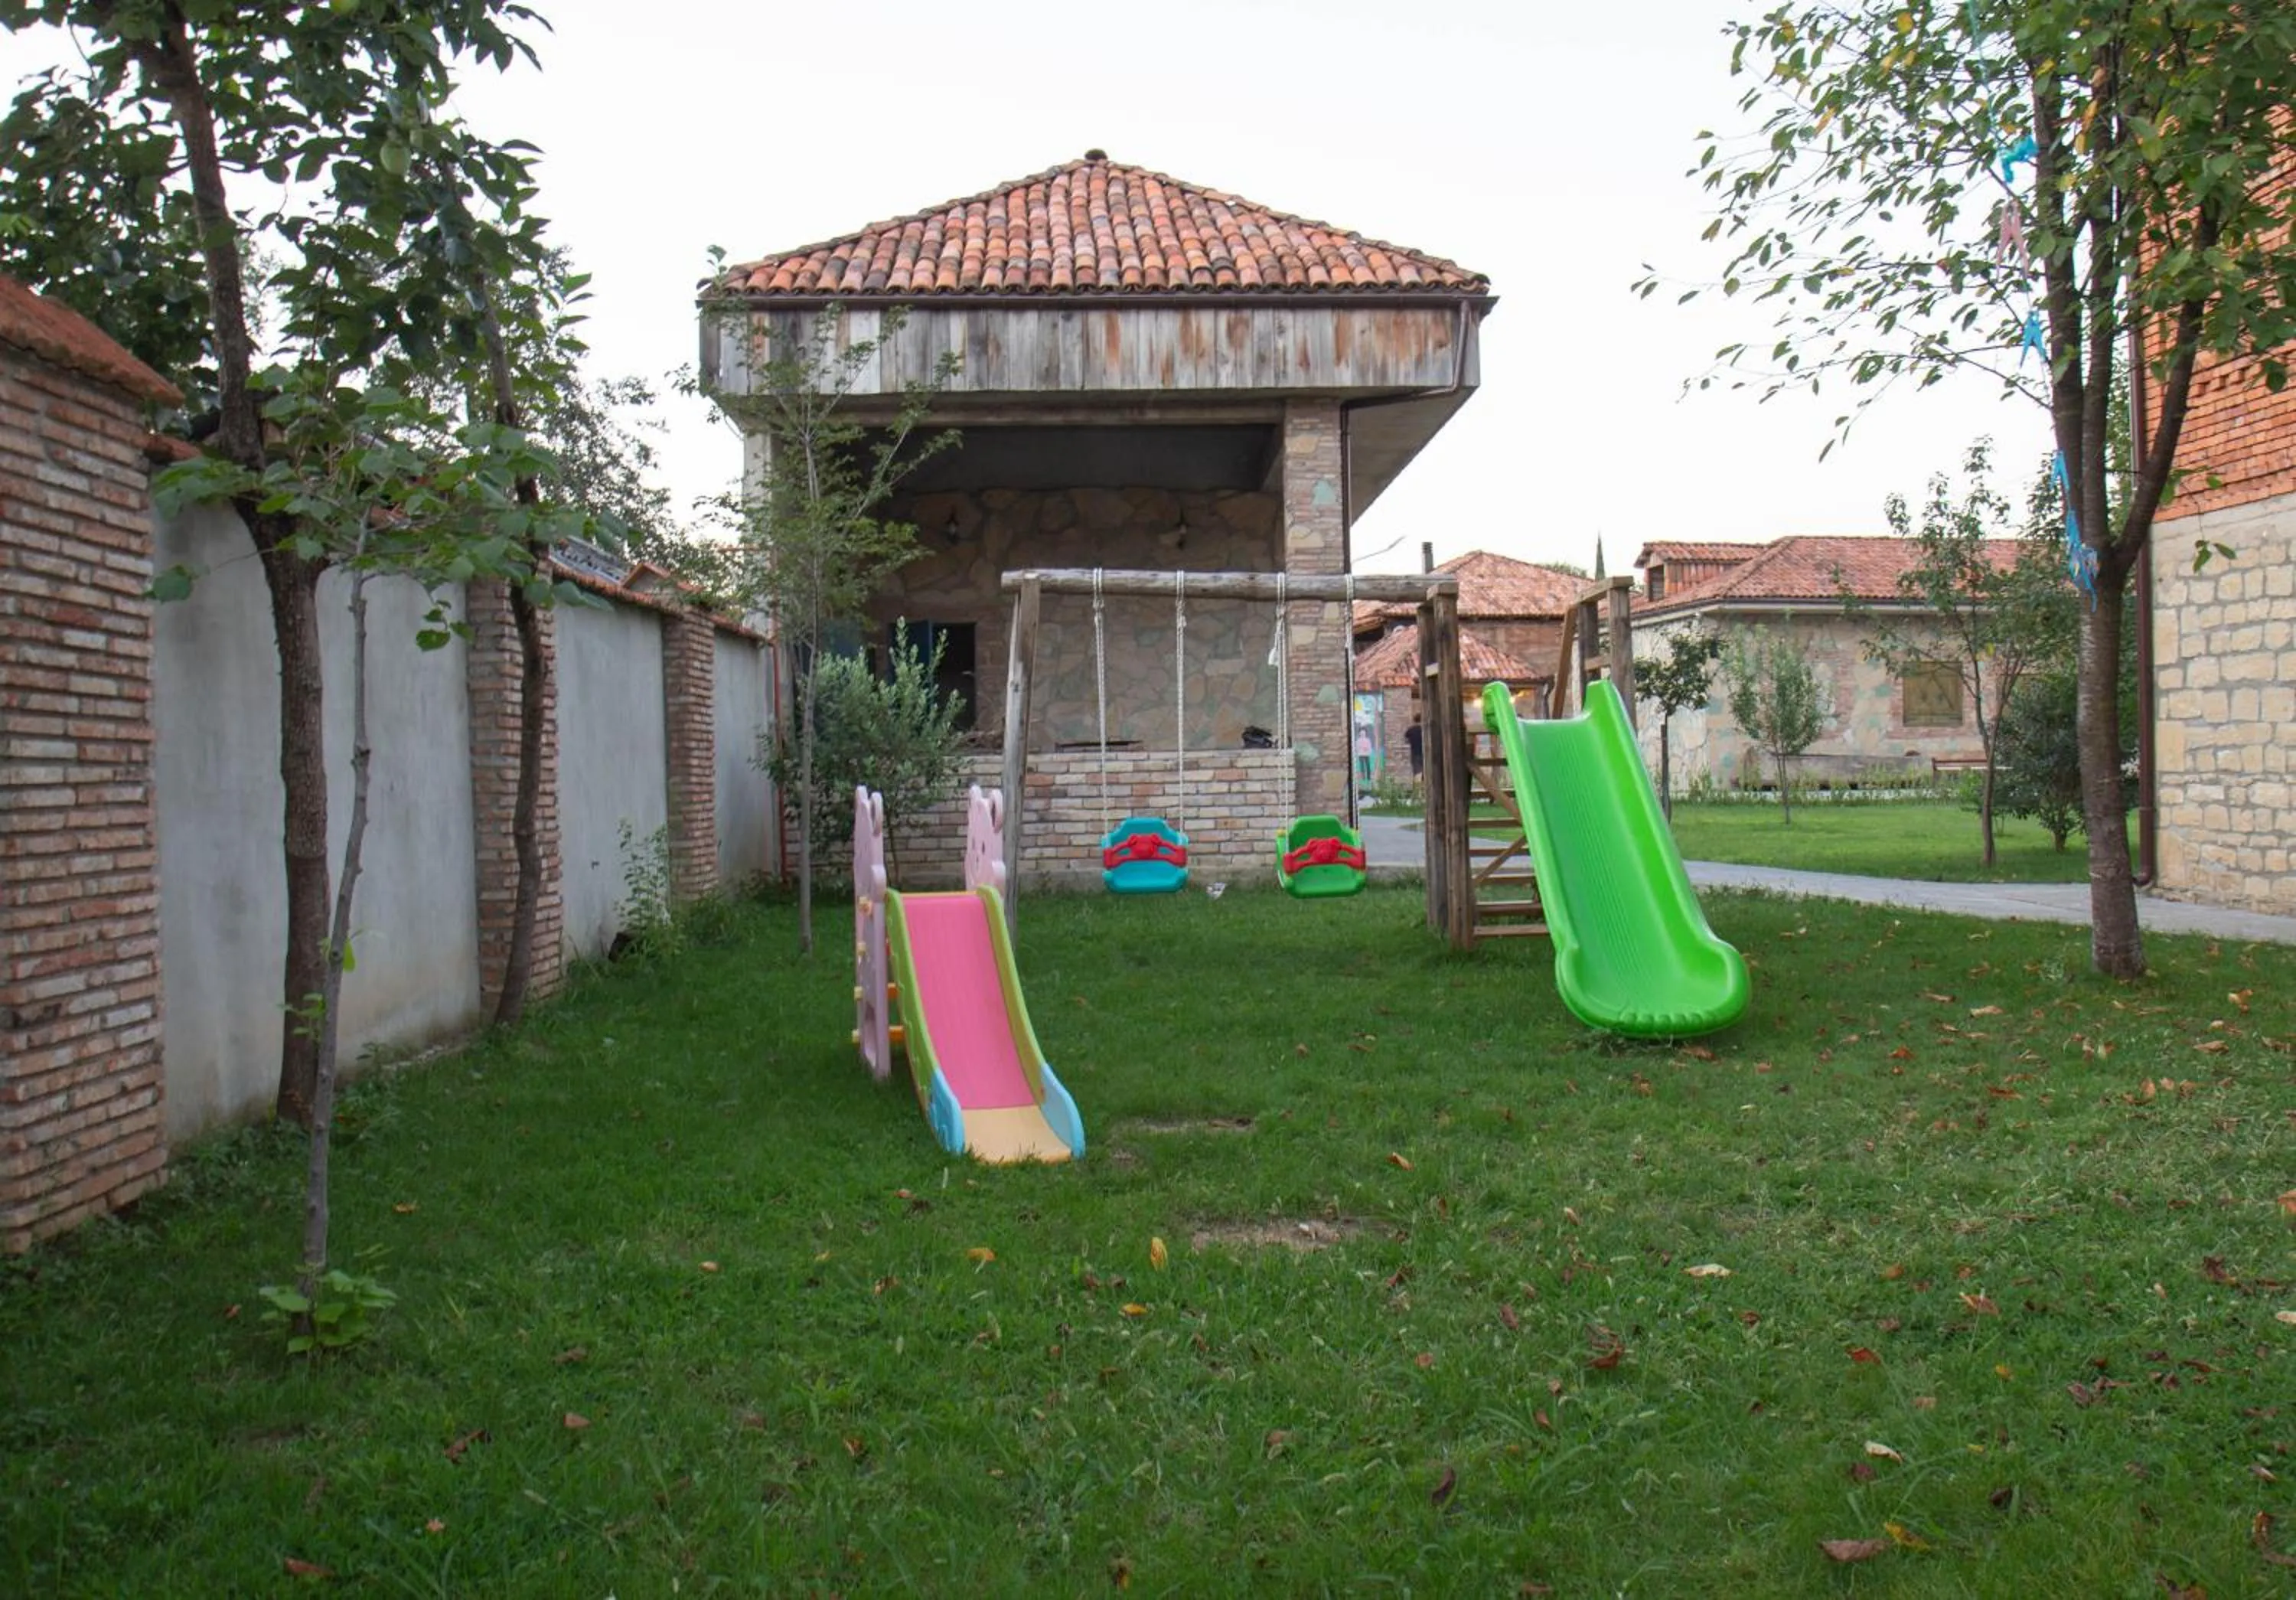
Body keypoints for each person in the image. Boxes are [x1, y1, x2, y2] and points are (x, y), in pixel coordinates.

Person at [1404, 713, 1424, 779]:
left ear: (1414, 720)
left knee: (1417, 773)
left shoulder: (1410, 730)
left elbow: (1406, 741)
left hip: (1415, 753)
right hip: (1424, 753)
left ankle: (1418, 784)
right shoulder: (1424, 729)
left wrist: (1412, 741)